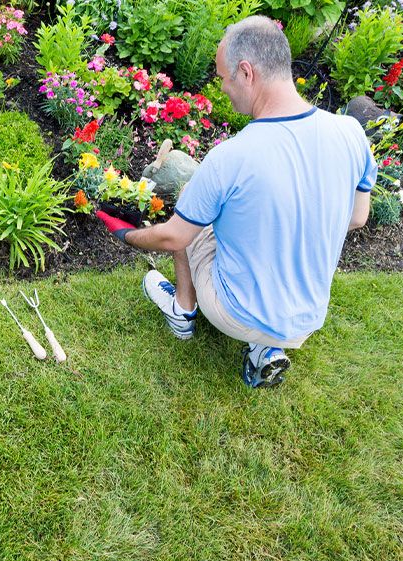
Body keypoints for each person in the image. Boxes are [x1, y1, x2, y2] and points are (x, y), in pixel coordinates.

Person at [100, 16, 377, 388]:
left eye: (223, 78)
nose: (222, 88)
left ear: (246, 72)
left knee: (190, 202)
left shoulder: (232, 156)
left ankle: (182, 311)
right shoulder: (350, 133)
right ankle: (266, 349)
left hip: (236, 312)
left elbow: (174, 238)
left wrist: (127, 235)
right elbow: (358, 217)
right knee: (253, 219)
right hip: (307, 317)